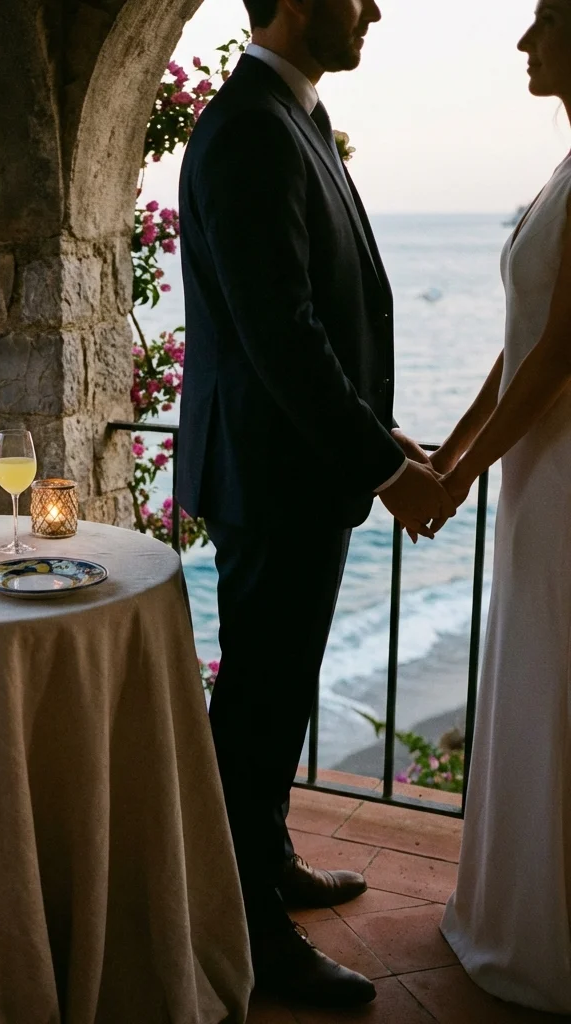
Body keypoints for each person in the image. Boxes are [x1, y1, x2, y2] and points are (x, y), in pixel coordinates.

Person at [176, 0, 456, 1008]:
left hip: (293, 468)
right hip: (269, 472)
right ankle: (246, 927)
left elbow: (320, 312)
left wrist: (379, 441)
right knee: (257, 701)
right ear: (294, 3)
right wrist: (385, 471)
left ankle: (271, 858)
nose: (372, 9)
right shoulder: (250, 125)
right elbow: (280, 332)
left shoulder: (287, 113)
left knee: (277, 686)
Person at [437, 3, 571, 1012]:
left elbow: (559, 354)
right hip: (534, 467)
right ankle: (515, 906)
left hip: (561, 468)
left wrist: (465, 470)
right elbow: (519, 341)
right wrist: (450, 449)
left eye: (545, 23)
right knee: (533, 667)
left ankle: (545, 932)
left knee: (553, 676)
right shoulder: (557, 172)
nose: (525, 45)